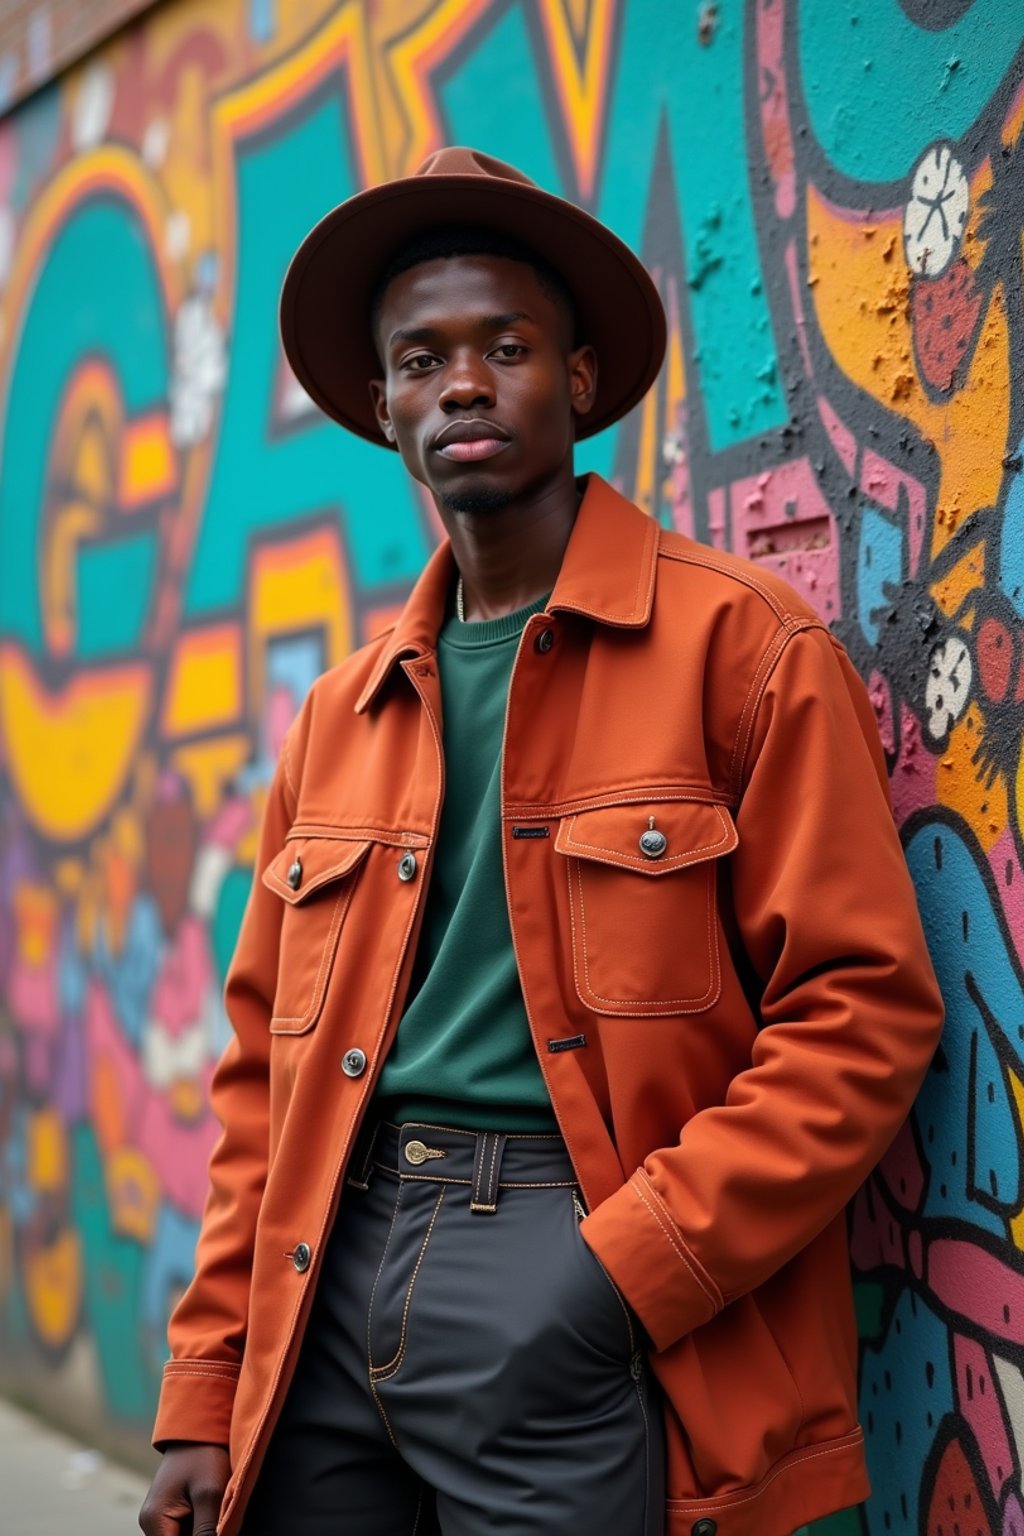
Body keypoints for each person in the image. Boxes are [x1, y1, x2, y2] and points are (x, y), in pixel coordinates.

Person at [139, 148, 944, 1536]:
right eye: (420, 359)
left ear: (576, 382)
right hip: (328, 1270)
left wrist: (621, 1269)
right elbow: (260, 1084)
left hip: (566, 1265)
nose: (461, 383)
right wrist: (207, 1385)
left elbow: (863, 1013)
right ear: (384, 405)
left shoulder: (740, 650)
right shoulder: (338, 717)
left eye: (505, 346)